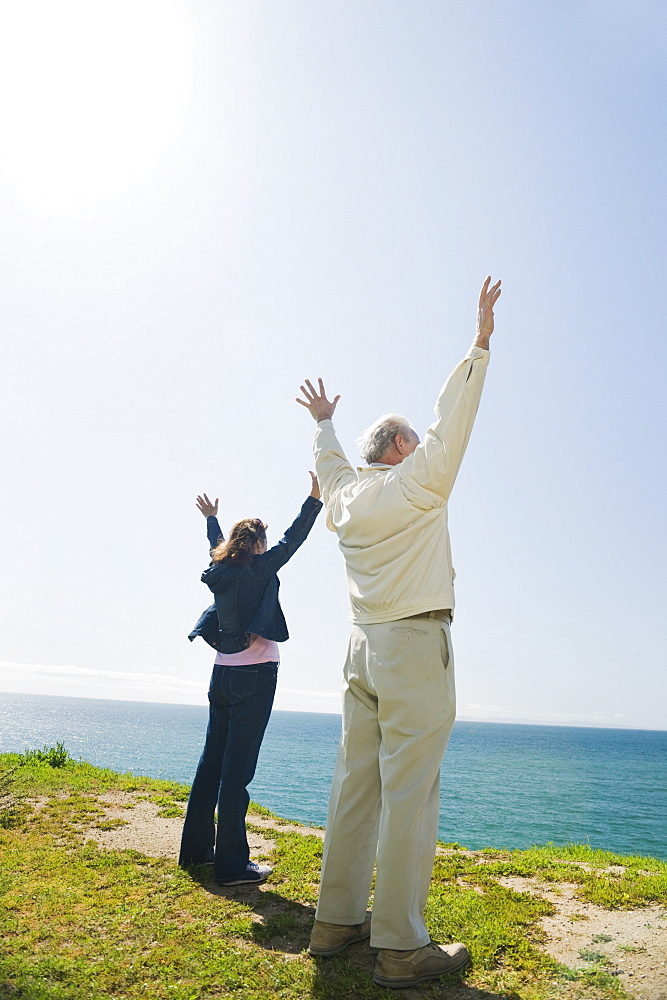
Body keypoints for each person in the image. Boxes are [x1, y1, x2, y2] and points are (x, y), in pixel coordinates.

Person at [296, 277, 501, 988]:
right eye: (413, 436)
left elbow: (327, 465)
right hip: (412, 644)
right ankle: (399, 946)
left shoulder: (347, 498)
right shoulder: (419, 484)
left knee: (355, 783)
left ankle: (334, 922)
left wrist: (322, 421)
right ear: (401, 447)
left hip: (360, 648)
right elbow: (455, 422)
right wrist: (476, 346)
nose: (422, 442)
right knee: (410, 790)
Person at [179, 476, 322, 886]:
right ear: (258, 544)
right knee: (236, 773)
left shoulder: (220, 569)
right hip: (255, 676)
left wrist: (211, 520)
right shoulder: (261, 566)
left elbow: (216, 546)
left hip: (221, 676)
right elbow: (293, 541)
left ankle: (196, 853)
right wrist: (312, 500)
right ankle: (231, 867)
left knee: (211, 766)